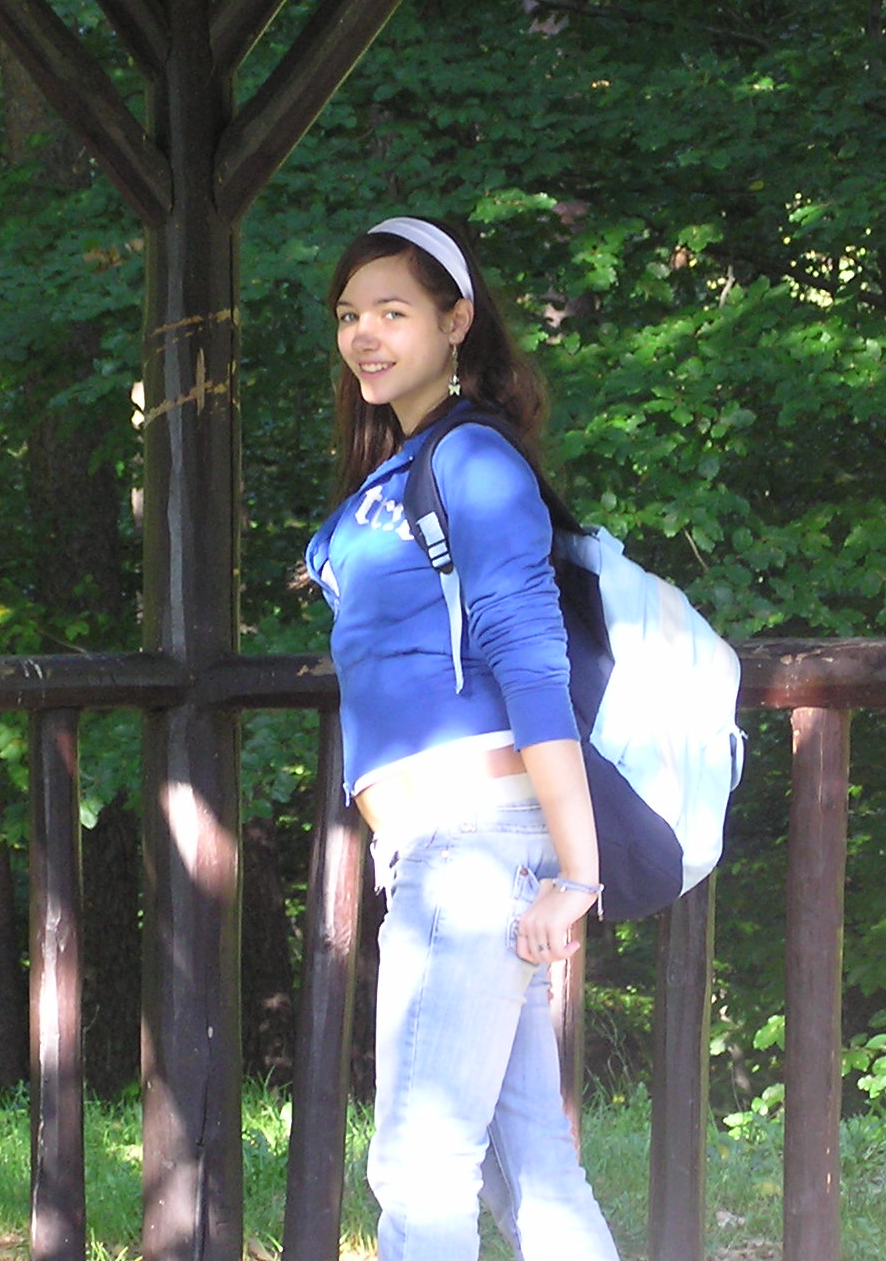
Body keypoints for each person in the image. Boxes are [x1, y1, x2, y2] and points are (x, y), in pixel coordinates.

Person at [304, 215, 620, 1261]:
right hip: (439, 848)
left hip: (474, 844)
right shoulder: (402, 468)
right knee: (528, 1163)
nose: (364, 334)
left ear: (455, 321)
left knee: (419, 1163)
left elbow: (531, 665)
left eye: (392, 311)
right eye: (349, 314)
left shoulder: (474, 459)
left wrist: (578, 871)